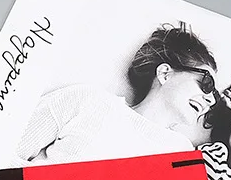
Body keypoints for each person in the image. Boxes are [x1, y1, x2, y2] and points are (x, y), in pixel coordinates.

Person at [16, 23, 219, 163]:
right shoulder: (88, 100)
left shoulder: (180, 152)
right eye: (206, 83)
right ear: (165, 73)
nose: (210, 100)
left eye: (216, 96)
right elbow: (5, 143)